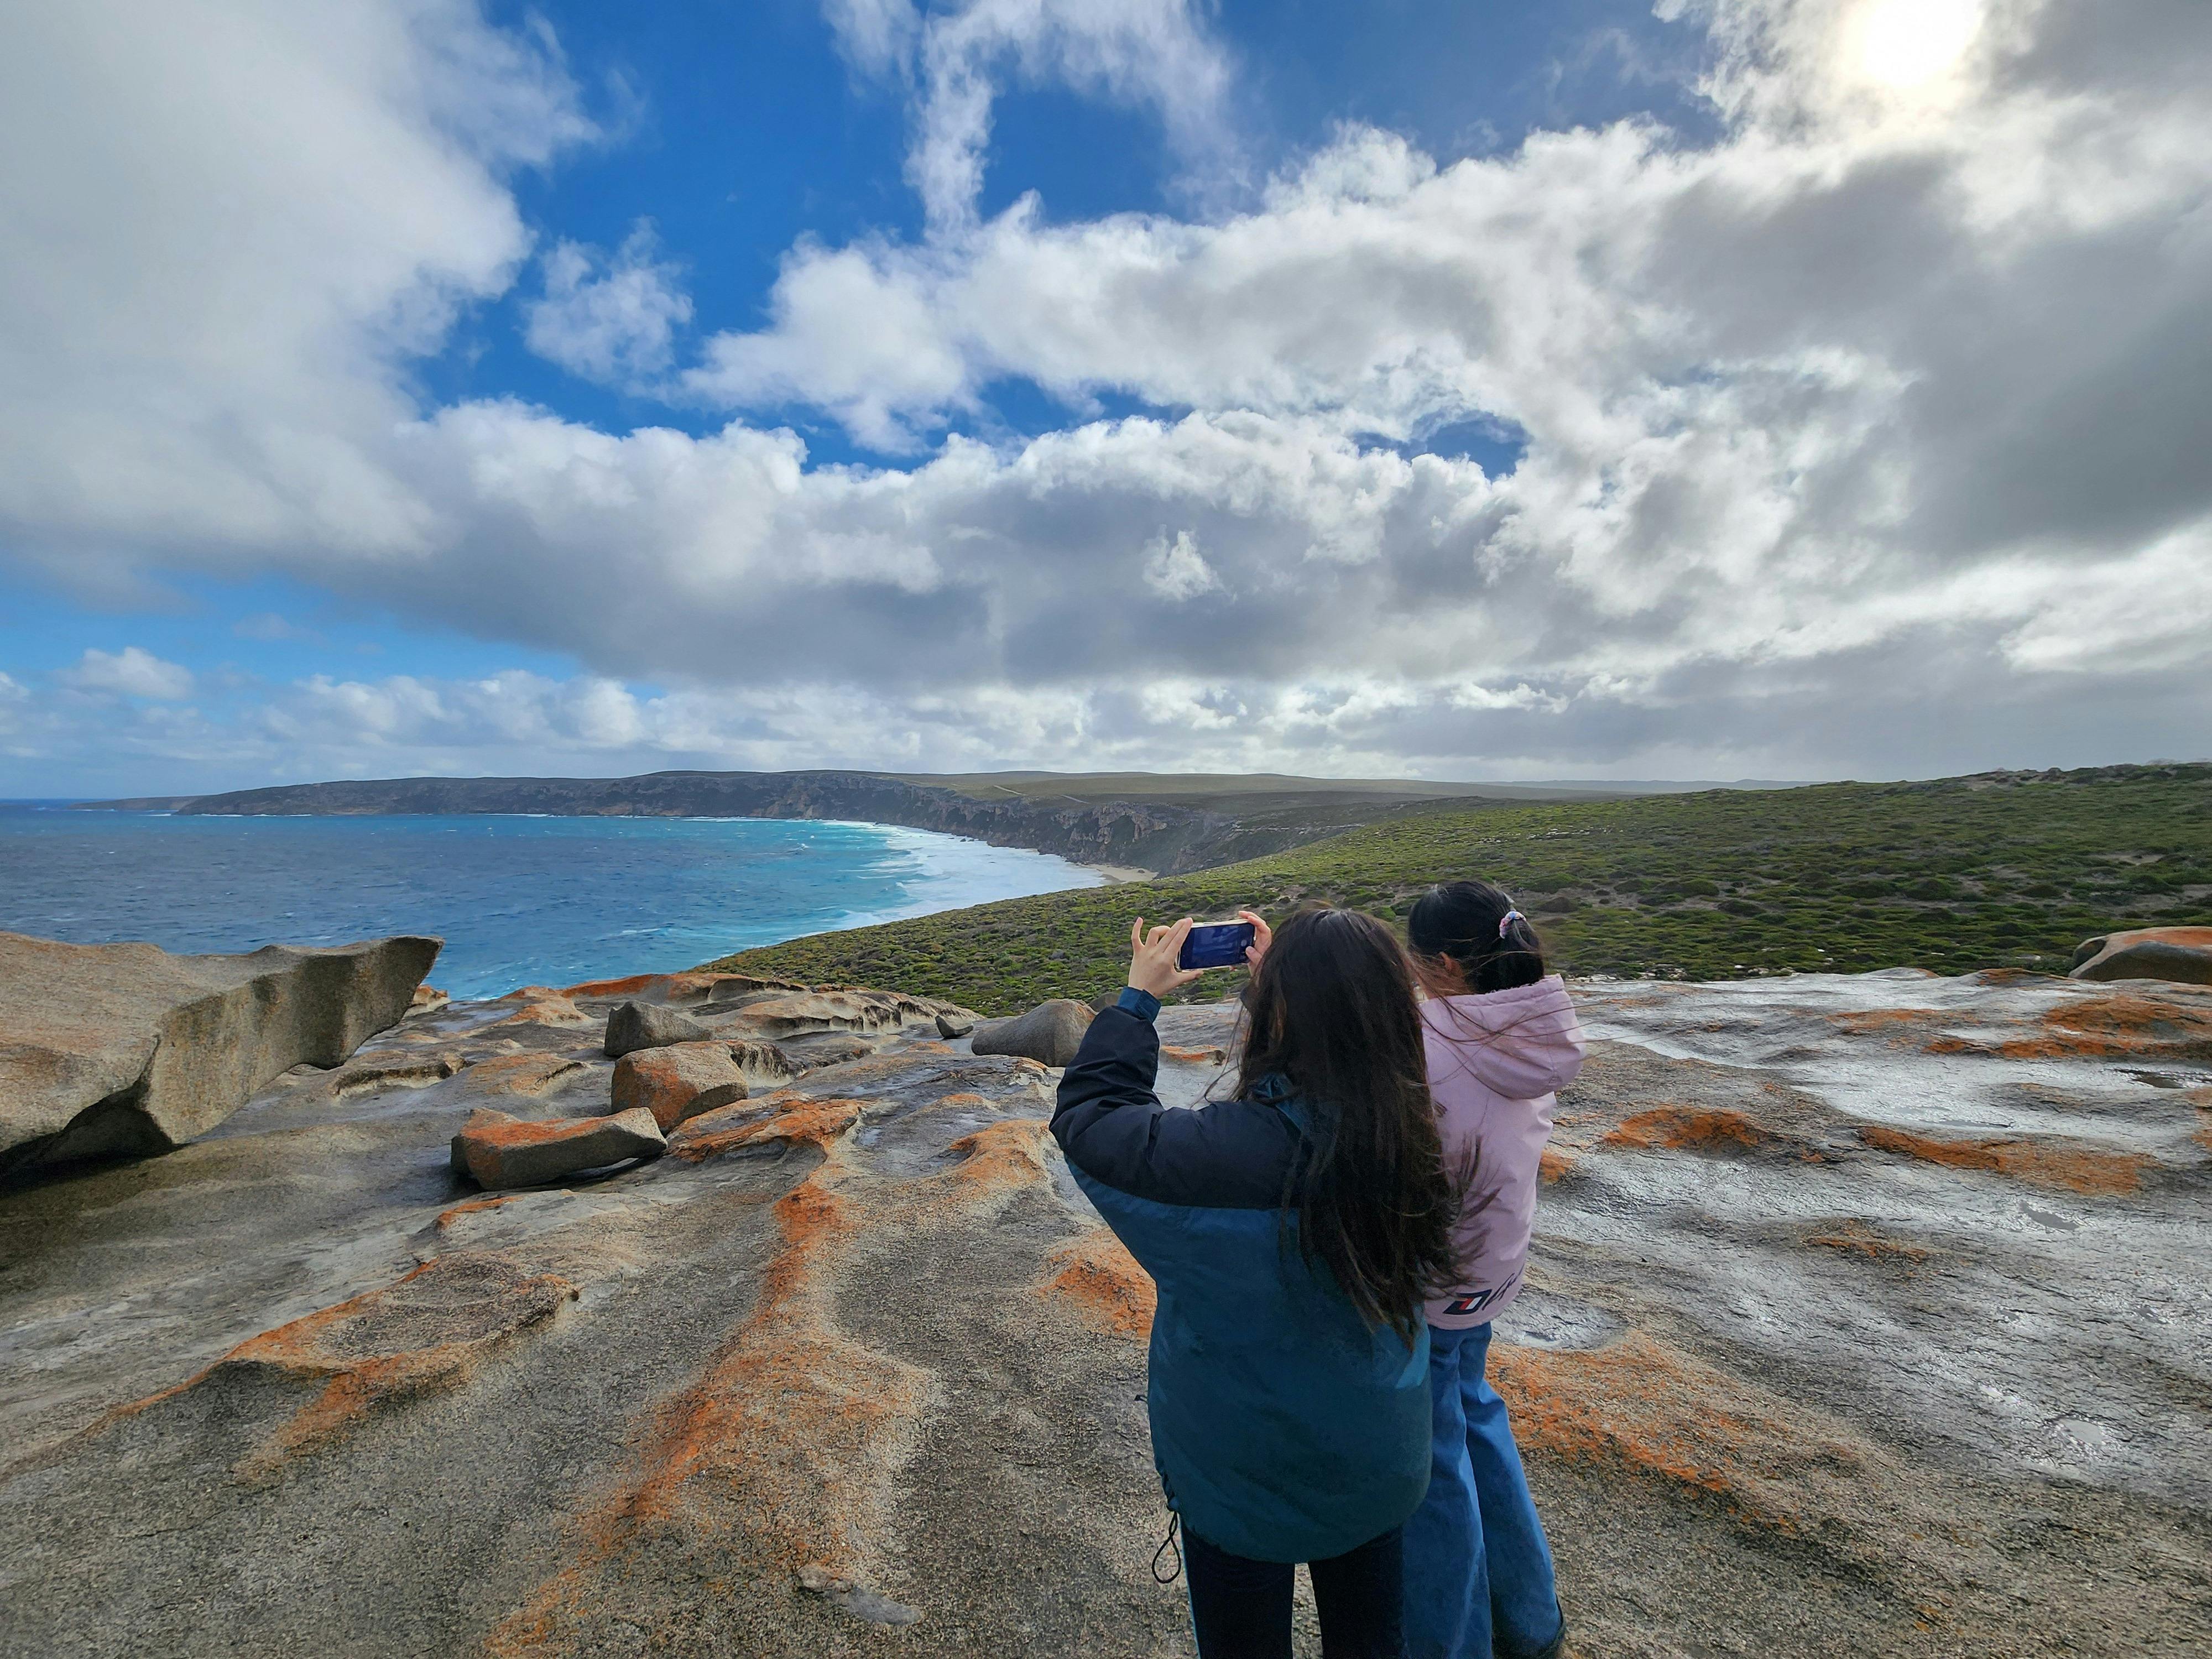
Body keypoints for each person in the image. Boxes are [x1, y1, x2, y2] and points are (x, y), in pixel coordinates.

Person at [1053, 907, 1463, 1659]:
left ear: (1281, 1013)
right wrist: (1289, 996)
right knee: (1372, 1639)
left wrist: (1139, 999)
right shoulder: (1415, 1130)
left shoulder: (1212, 1158)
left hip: (1240, 1472)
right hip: (1377, 1455)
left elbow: (1091, 1118)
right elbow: (1355, 1056)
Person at [1399, 881, 1587, 1659]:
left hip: (1437, 1280)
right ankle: (1531, 1619)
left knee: (1432, 1471)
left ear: (1444, 964)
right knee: (1477, 1414)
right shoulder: (1530, 1019)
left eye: (1415, 960)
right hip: (1493, 1266)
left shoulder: (1433, 1044)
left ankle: (1453, 1644)